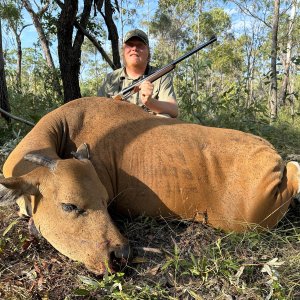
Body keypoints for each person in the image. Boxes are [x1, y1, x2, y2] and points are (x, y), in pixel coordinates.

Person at [97, 29, 178, 118]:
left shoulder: (161, 77)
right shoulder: (110, 78)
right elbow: (98, 110)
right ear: (123, 51)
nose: (134, 48)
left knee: (165, 117)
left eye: (140, 45)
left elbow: (173, 110)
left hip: (152, 127)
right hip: (118, 126)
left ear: (148, 52)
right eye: (130, 45)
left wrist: (150, 102)